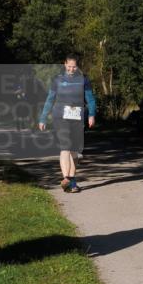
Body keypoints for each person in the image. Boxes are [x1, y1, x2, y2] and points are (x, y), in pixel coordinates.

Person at [38, 55, 96, 193]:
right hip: (60, 116)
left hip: (77, 117)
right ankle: (67, 180)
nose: (71, 69)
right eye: (69, 66)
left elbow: (90, 99)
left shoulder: (83, 79)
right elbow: (50, 99)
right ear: (64, 64)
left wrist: (92, 114)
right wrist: (43, 117)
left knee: (74, 151)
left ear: (78, 66)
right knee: (65, 147)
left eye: (74, 67)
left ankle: (71, 179)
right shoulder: (57, 79)